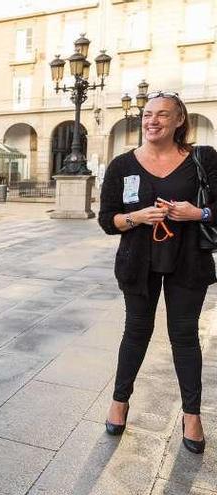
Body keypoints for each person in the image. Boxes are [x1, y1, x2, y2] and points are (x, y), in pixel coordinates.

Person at [98, 92, 217, 455]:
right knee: (136, 331)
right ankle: (120, 402)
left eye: (162, 115)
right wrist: (137, 217)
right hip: (138, 261)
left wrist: (196, 214)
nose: (153, 120)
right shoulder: (122, 165)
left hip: (188, 260)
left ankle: (192, 415)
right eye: (148, 114)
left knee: (184, 336)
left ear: (179, 120)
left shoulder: (204, 158)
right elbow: (108, 220)